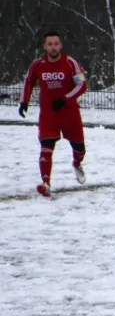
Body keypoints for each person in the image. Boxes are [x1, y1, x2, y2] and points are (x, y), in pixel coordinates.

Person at [19, 31, 88, 197]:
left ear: (61, 45)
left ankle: (77, 163)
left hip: (69, 113)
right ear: (44, 46)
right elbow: (28, 81)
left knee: (79, 148)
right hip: (49, 114)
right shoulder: (37, 64)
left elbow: (82, 85)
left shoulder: (70, 63)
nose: (53, 47)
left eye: (56, 44)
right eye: (50, 44)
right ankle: (45, 183)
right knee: (46, 146)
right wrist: (24, 101)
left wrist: (65, 99)